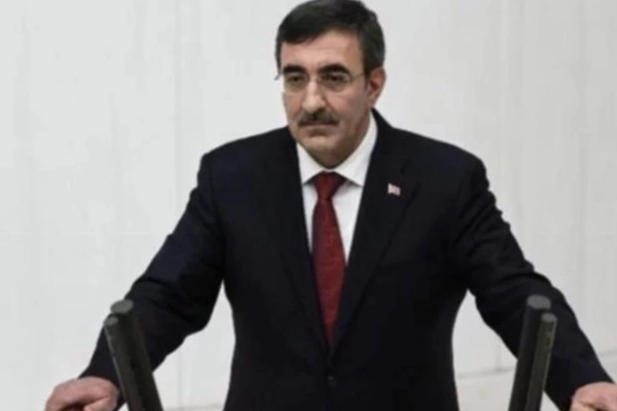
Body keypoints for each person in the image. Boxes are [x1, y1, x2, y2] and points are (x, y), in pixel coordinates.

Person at [45, 1, 617, 410]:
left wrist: (581, 380)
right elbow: (168, 296)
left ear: (375, 84)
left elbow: (514, 292)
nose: (311, 100)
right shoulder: (233, 177)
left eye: (334, 77)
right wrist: (106, 376)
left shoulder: (445, 180)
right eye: (295, 78)